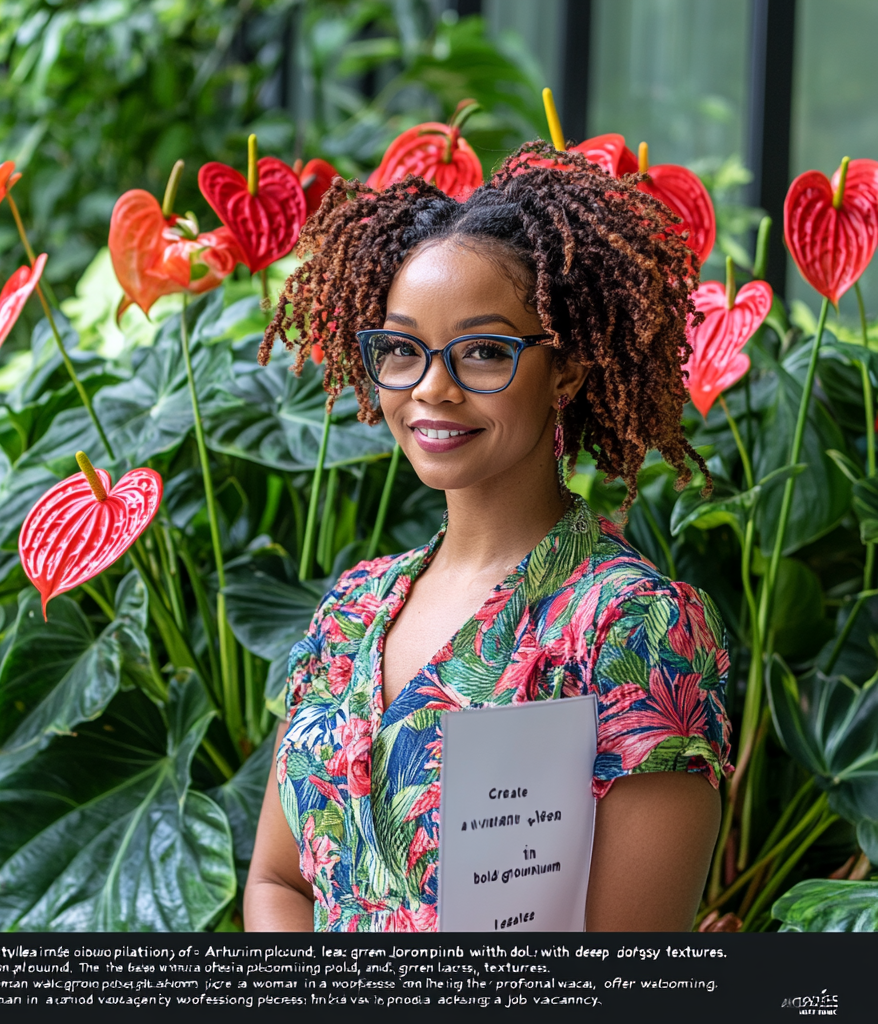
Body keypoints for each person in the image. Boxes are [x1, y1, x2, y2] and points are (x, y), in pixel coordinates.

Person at [245, 142, 731, 933]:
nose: (432, 387)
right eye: (402, 349)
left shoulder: (627, 627)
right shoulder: (352, 610)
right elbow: (279, 882)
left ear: (566, 372)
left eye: (483, 352)